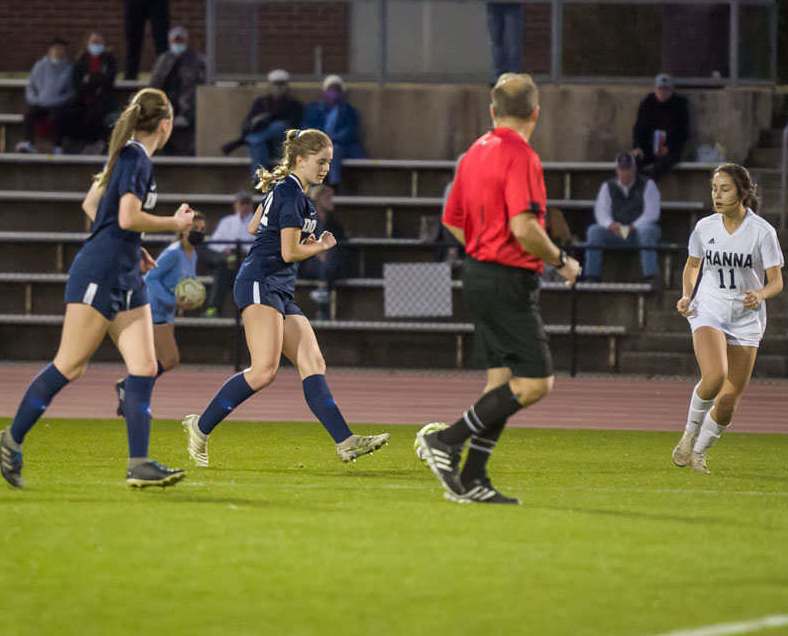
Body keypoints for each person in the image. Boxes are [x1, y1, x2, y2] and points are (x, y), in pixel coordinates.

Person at [0, 88, 194, 489]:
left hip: (123, 272)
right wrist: (174, 223)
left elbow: (91, 205)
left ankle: (139, 464)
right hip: (100, 271)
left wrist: (133, 249)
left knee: (144, 367)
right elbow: (126, 215)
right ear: (166, 124)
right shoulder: (136, 157)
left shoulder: (127, 155)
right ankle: (10, 440)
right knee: (71, 364)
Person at [417, 73, 582, 504]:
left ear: (492, 111)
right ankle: (446, 441)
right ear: (536, 113)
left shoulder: (474, 151)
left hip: (477, 273)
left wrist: (483, 248)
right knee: (536, 382)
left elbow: (452, 220)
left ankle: (473, 478)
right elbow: (524, 228)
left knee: (501, 383)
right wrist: (562, 262)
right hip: (507, 279)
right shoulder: (522, 155)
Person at [182, 129, 390, 466]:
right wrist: (321, 244)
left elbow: (253, 228)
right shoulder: (291, 194)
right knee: (264, 371)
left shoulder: (291, 194)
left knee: (313, 362)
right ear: (300, 159)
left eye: (329, 162)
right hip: (259, 282)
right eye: (320, 161)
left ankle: (346, 441)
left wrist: (273, 219)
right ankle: (200, 427)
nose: (326, 168)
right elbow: (290, 251)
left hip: (276, 285)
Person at [671, 164, 784, 474]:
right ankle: (689, 433)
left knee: (729, 402)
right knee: (714, 377)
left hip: (746, 319)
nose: (717, 195)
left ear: (743, 193)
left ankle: (699, 452)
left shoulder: (762, 232)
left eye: (725, 189)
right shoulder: (705, 227)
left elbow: (776, 281)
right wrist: (687, 295)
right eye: (714, 189)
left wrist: (760, 294)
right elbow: (693, 266)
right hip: (709, 308)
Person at [115, 211, 206, 416]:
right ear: (184, 231)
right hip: (155, 308)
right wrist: (172, 300)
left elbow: (183, 286)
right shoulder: (173, 253)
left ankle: (133, 399)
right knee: (170, 358)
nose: (199, 233)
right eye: (195, 229)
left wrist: (185, 301)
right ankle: (128, 388)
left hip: (168, 311)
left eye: (202, 229)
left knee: (153, 363)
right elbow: (150, 278)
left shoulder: (193, 254)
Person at [582, 152, 661, 284]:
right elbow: (601, 212)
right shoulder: (607, 186)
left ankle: (651, 276)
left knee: (647, 232)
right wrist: (611, 225)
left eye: (628, 168)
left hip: (638, 231)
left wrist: (633, 226)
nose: (625, 172)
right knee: (594, 231)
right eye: (622, 168)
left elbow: (651, 213)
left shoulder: (648, 185)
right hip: (616, 232)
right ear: (617, 170)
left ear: (634, 169)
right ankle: (591, 276)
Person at [221, 69, 304, 172]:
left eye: (281, 84)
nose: (278, 88)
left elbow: (292, 125)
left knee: (278, 126)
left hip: (281, 144)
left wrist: (267, 120)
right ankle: (259, 182)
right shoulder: (260, 103)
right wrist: (257, 122)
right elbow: (247, 124)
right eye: (275, 84)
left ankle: (250, 139)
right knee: (257, 146)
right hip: (264, 145)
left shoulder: (294, 105)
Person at [300, 75, 367, 189]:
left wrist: (331, 139)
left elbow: (349, 132)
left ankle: (334, 184)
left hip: (338, 144)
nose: (333, 92)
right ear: (325, 91)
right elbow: (306, 127)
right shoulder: (313, 109)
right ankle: (311, 186)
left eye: (336, 89)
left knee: (333, 150)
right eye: (331, 89)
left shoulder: (348, 111)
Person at [196, 190, 257, 317]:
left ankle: (213, 308)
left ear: (252, 206)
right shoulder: (226, 221)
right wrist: (225, 250)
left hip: (244, 261)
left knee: (222, 268)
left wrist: (240, 250)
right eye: (242, 204)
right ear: (236, 205)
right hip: (225, 258)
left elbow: (258, 245)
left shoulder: (258, 222)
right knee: (202, 247)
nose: (245, 207)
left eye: (247, 204)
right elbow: (214, 243)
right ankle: (224, 259)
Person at [149, 26, 206, 155]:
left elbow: (202, 84)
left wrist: (187, 108)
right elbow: (155, 83)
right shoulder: (164, 60)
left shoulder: (196, 60)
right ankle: (163, 150)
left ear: (186, 42)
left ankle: (190, 151)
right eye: (175, 41)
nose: (178, 44)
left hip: (189, 103)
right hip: (166, 102)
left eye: (180, 41)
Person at [59, 32, 118, 153]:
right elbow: (78, 84)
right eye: (93, 43)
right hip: (83, 99)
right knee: (69, 112)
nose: (96, 46)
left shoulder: (109, 60)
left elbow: (109, 80)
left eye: (99, 43)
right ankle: (66, 146)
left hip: (103, 101)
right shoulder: (81, 61)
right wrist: (98, 79)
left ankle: (95, 143)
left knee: (96, 114)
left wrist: (90, 79)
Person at [297, 184, 348, 320]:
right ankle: (323, 295)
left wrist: (326, 250)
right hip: (309, 262)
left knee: (330, 257)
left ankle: (322, 292)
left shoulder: (333, 222)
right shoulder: (305, 221)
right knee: (324, 261)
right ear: (318, 200)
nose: (332, 201)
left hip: (330, 262)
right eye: (328, 198)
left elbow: (341, 242)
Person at [16, 38, 74, 155]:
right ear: (50, 51)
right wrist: (35, 100)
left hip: (57, 104)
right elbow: (31, 87)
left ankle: (58, 146)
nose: (58, 52)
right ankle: (28, 142)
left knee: (58, 117)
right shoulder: (39, 66)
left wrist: (59, 100)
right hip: (39, 102)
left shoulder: (69, 70)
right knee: (29, 115)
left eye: (61, 50)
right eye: (56, 49)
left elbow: (70, 92)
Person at [632, 73, 690, 180]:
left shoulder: (679, 105)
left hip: (669, 151)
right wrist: (638, 147)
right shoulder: (647, 103)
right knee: (634, 160)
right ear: (655, 89)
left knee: (662, 163)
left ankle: (648, 183)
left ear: (671, 90)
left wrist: (669, 148)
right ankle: (640, 184)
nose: (663, 92)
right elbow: (638, 128)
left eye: (666, 89)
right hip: (648, 148)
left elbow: (683, 133)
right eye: (660, 89)